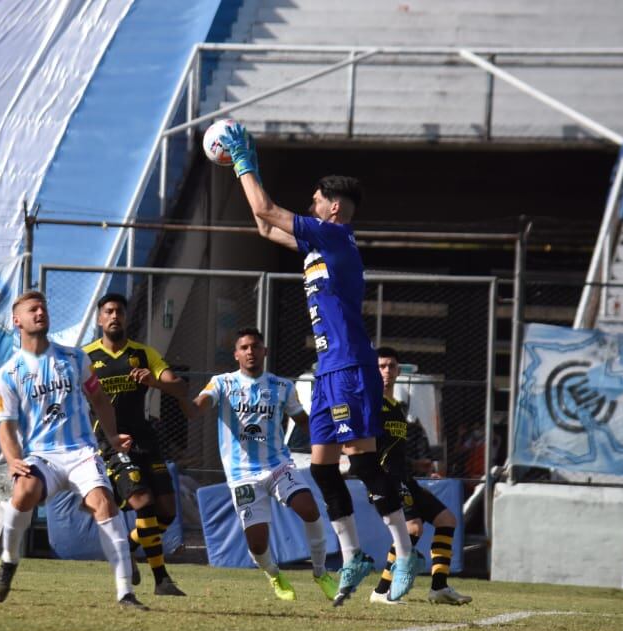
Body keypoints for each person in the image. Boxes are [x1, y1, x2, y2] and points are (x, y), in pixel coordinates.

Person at [219, 123, 421, 606]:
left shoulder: (333, 236)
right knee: (325, 469)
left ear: (332, 208)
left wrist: (243, 159)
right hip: (327, 371)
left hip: (350, 365)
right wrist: (249, 169)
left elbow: (267, 209)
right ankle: (353, 555)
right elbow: (265, 225)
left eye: (314, 201)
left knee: (363, 460)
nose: (308, 207)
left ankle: (405, 552)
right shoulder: (317, 245)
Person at [0, 290, 145, 609]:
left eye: (44, 308)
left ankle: (125, 593)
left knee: (104, 503)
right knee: (23, 492)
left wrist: (112, 437)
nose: (40, 313)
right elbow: (5, 424)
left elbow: (99, 399)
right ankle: (8, 563)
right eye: (33, 309)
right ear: (16, 320)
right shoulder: (9, 373)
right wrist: (11, 458)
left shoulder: (74, 358)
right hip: (42, 456)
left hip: (82, 452)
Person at [191, 327, 339, 602]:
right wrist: (195, 405)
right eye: (244, 347)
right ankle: (273, 572)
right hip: (242, 474)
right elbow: (203, 401)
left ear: (265, 351)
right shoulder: (222, 383)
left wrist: (331, 435)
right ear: (236, 354)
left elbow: (303, 420)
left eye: (255, 347)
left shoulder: (283, 387)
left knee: (309, 508)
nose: (250, 352)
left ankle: (321, 573)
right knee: (257, 543)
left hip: (278, 465)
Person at [83, 293, 187, 596]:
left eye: (120, 312)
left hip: (144, 438)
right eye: (109, 311)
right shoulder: (85, 357)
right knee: (142, 500)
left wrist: (156, 383)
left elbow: (180, 387)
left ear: (126, 318)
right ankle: (161, 580)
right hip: (111, 442)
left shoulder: (144, 354)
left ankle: (128, 546)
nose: (115, 316)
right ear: (100, 319)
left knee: (166, 512)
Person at [368, 347, 472, 605]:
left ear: (398, 370)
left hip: (405, 478)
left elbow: (392, 448)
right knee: (413, 527)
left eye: (391, 366)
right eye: (381, 366)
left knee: (447, 520)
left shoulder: (398, 408)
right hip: (388, 481)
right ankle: (382, 590)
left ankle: (439, 587)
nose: (387, 371)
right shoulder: (371, 405)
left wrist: (417, 463)